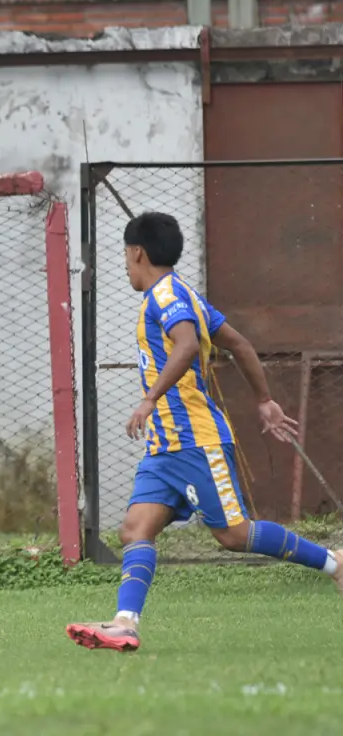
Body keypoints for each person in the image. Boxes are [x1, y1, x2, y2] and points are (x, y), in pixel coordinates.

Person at [66, 211, 343, 653]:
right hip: (165, 447)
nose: (125, 264)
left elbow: (188, 345)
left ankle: (334, 563)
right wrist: (264, 400)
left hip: (195, 439)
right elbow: (240, 344)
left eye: (125, 255)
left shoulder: (167, 295)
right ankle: (124, 623)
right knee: (135, 530)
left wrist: (150, 398)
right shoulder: (185, 295)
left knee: (233, 534)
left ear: (137, 253)